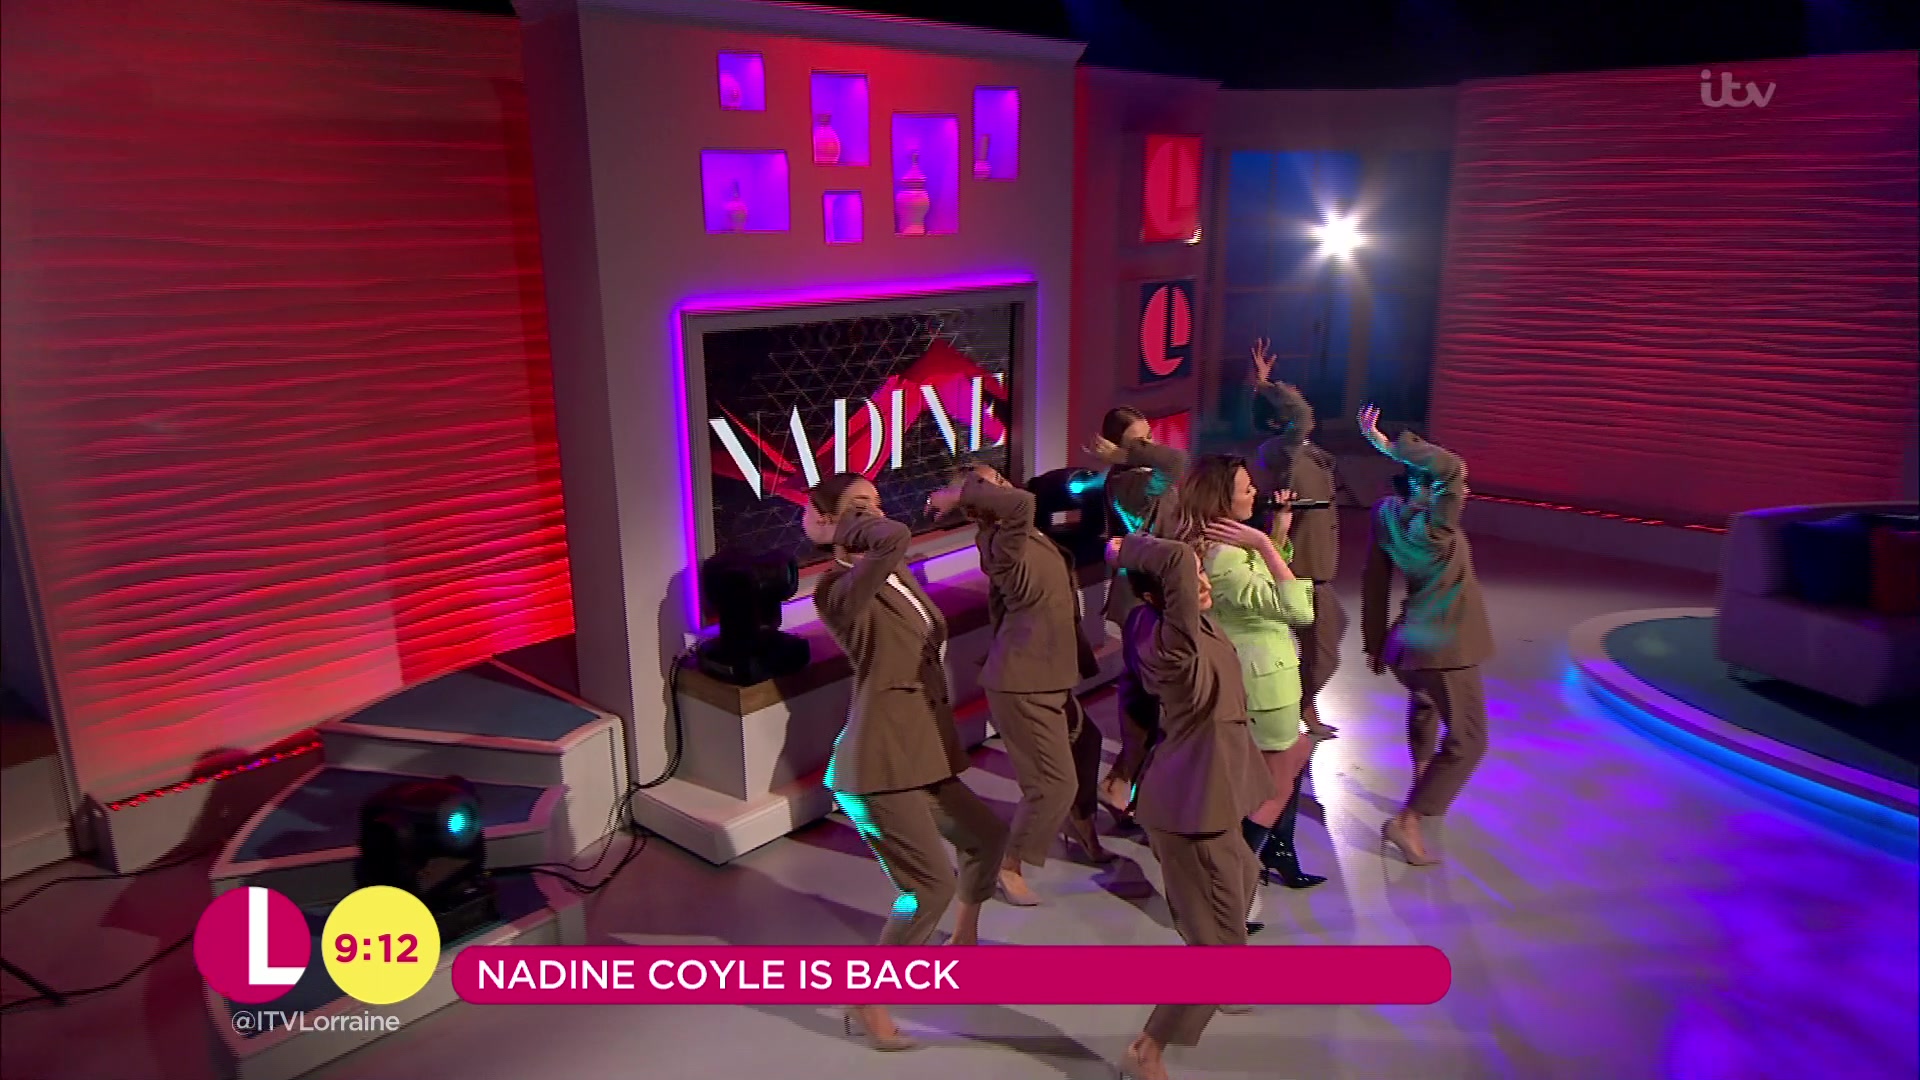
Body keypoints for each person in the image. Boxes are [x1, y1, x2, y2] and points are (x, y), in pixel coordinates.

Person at [804, 473, 1010, 1050]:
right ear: (830, 522)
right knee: (927, 888)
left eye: (875, 502)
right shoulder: (837, 590)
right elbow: (892, 535)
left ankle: (962, 941)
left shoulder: (896, 573)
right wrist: (862, 528)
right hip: (880, 760)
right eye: (857, 507)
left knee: (987, 837)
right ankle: (866, 998)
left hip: (921, 746)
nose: (873, 513)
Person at [1108, 531, 1274, 1080]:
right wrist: (1124, 549)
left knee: (1244, 874)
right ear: (1156, 595)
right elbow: (1176, 559)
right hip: (1192, 804)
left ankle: (1219, 971)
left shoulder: (1171, 621)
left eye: (1203, 573)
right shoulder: (1171, 640)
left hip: (1210, 793)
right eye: (1189, 578)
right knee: (1215, 948)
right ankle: (1148, 1047)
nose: (1200, 582)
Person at [927, 463, 1111, 907]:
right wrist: (957, 496)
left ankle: (1080, 824)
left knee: (1086, 742)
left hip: (1050, 672)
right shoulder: (1000, 540)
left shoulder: (1021, 531)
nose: (1004, 486)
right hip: (1024, 682)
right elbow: (1021, 503)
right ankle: (1007, 865)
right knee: (1052, 784)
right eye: (990, 484)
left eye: (998, 479)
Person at [1160, 454, 1326, 890]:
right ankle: (1234, 878)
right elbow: (1297, 609)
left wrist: (1277, 533)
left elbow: (1259, 583)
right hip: (1263, 683)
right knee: (1272, 779)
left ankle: (1277, 853)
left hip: (1260, 678)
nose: (1256, 493)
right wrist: (1266, 545)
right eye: (1246, 488)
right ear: (1222, 499)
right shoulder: (1224, 558)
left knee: (1278, 769)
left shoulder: (1223, 549)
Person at [1356, 407, 1494, 866]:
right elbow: (1453, 468)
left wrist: (1375, 642)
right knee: (1470, 739)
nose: (1464, 493)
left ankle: (1421, 778)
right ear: (1426, 485)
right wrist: (1386, 444)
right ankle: (1410, 818)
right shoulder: (1437, 527)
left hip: (1407, 645)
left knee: (1425, 705)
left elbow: (1374, 582)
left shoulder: (1386, 516)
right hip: (1445, 646)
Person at [1090, 406, 1187, 824]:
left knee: (1148, 693)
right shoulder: (1131, 481)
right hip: (1144, 597)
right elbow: (1176, 461)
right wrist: (1128, 455)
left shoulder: (1137, 475)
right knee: (1148, 695)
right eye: (1139, 440)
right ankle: (1123, 782)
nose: (1150, 446)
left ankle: (1126, 784)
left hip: (1152, 592)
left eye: (1150, 437)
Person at [1248, 337, 1347, 740]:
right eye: (1292, 402)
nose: (1303, 403)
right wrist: (1264, 387)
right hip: (1300, 570)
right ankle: (1297, 707)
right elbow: (1299, 417)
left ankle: (1303, 705)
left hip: (1316, 567)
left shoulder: (1304, 451)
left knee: (1328, 637)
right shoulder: (1282, 452)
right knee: (1322, 652)